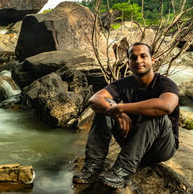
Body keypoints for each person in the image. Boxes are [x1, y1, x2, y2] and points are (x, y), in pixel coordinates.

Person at [73, 42, 179, 189]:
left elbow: (166, 106)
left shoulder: (166, 84)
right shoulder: (125, 83)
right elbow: (94, 100)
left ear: (152, 59)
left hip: (161, 147)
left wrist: (120, 107)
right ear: (128, 62)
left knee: (154, 113)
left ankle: (123, 171)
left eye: (143, 56)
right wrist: (118, 114)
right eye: (133, 58)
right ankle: (93, 166)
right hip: (133, 140)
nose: (138, 61)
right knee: (104, 107)